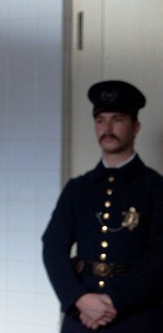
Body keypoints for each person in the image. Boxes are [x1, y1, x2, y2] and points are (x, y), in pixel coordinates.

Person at [42, 80, 163, 332]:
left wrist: (114, 301)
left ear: (136, 126)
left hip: (136, 317)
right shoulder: (78, 188)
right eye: (100, 120)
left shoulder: (155, 187)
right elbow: (53, 245)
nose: (107, 128)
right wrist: (78, 299)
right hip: (81, 315)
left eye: (117, 119)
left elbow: (160, 257)